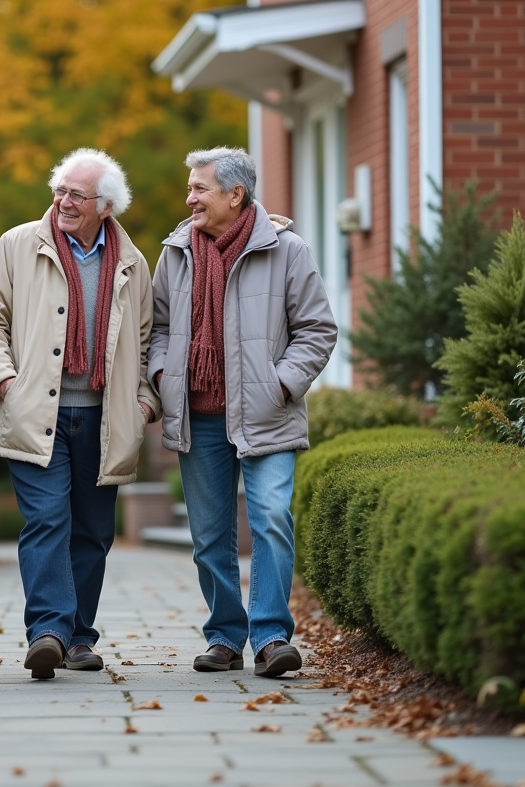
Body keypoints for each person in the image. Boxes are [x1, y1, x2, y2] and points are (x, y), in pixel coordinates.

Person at [148, 147, 337, 678]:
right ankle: (226, 636)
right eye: (190, 189)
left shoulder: (287, 251)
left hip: (267, 413)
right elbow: (158, 329)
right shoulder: (176, 251)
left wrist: (281, 384)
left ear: (236, 194)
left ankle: (272, 636)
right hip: (199, 415)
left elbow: (317, 330)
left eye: (200, 189)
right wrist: (164, 377)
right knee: (210, 536)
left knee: (272, 520)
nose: (190, 199)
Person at [0, 148, 160, 679]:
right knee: (47, 520)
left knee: (94, 531)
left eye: (76, 195)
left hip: (104, 417)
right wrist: (4, 380)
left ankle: (79, 637)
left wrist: (144, 401)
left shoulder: (131, 262)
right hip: (35, 412)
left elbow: (146, 342)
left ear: (106, 205)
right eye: (59, 190)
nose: (63, 202)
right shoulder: (18, 245)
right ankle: (48, 632)